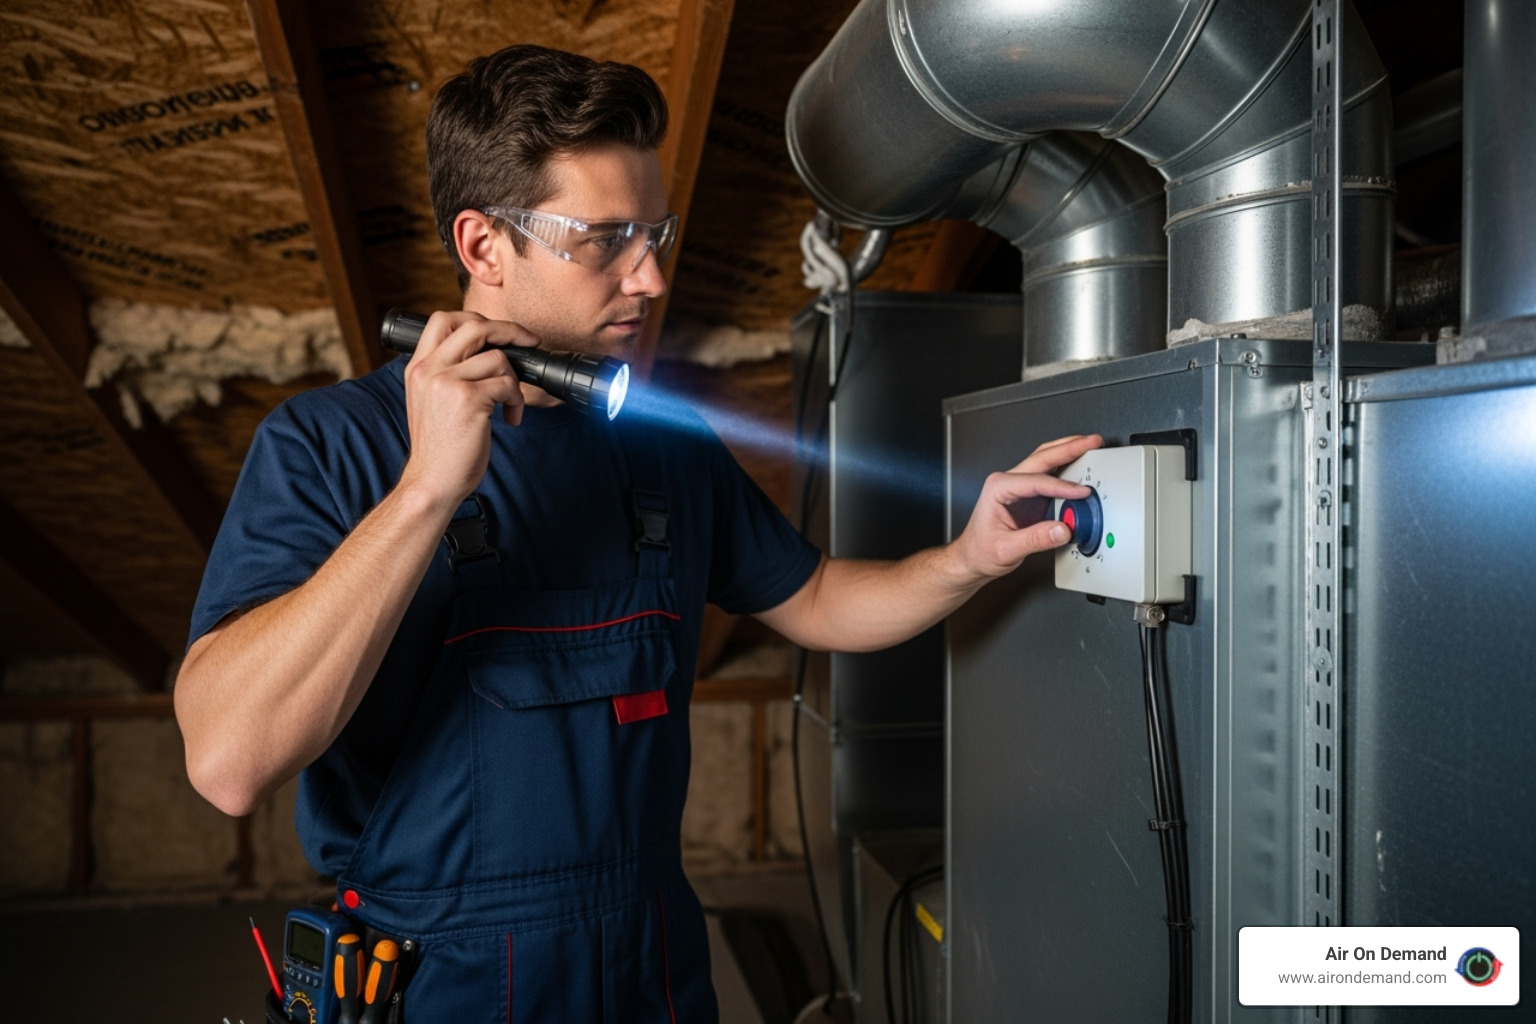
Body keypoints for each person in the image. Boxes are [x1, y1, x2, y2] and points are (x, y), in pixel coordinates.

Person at [173, 43, 1100, 1021]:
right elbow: (229, 762)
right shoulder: (330, 447)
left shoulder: (665, 448)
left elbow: (817, 597)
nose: (650, 277)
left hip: (649, 965)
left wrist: (969, 556)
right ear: (485, 246)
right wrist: (425, 493)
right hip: (443, 981)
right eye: (605, 238)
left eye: (652, 233)